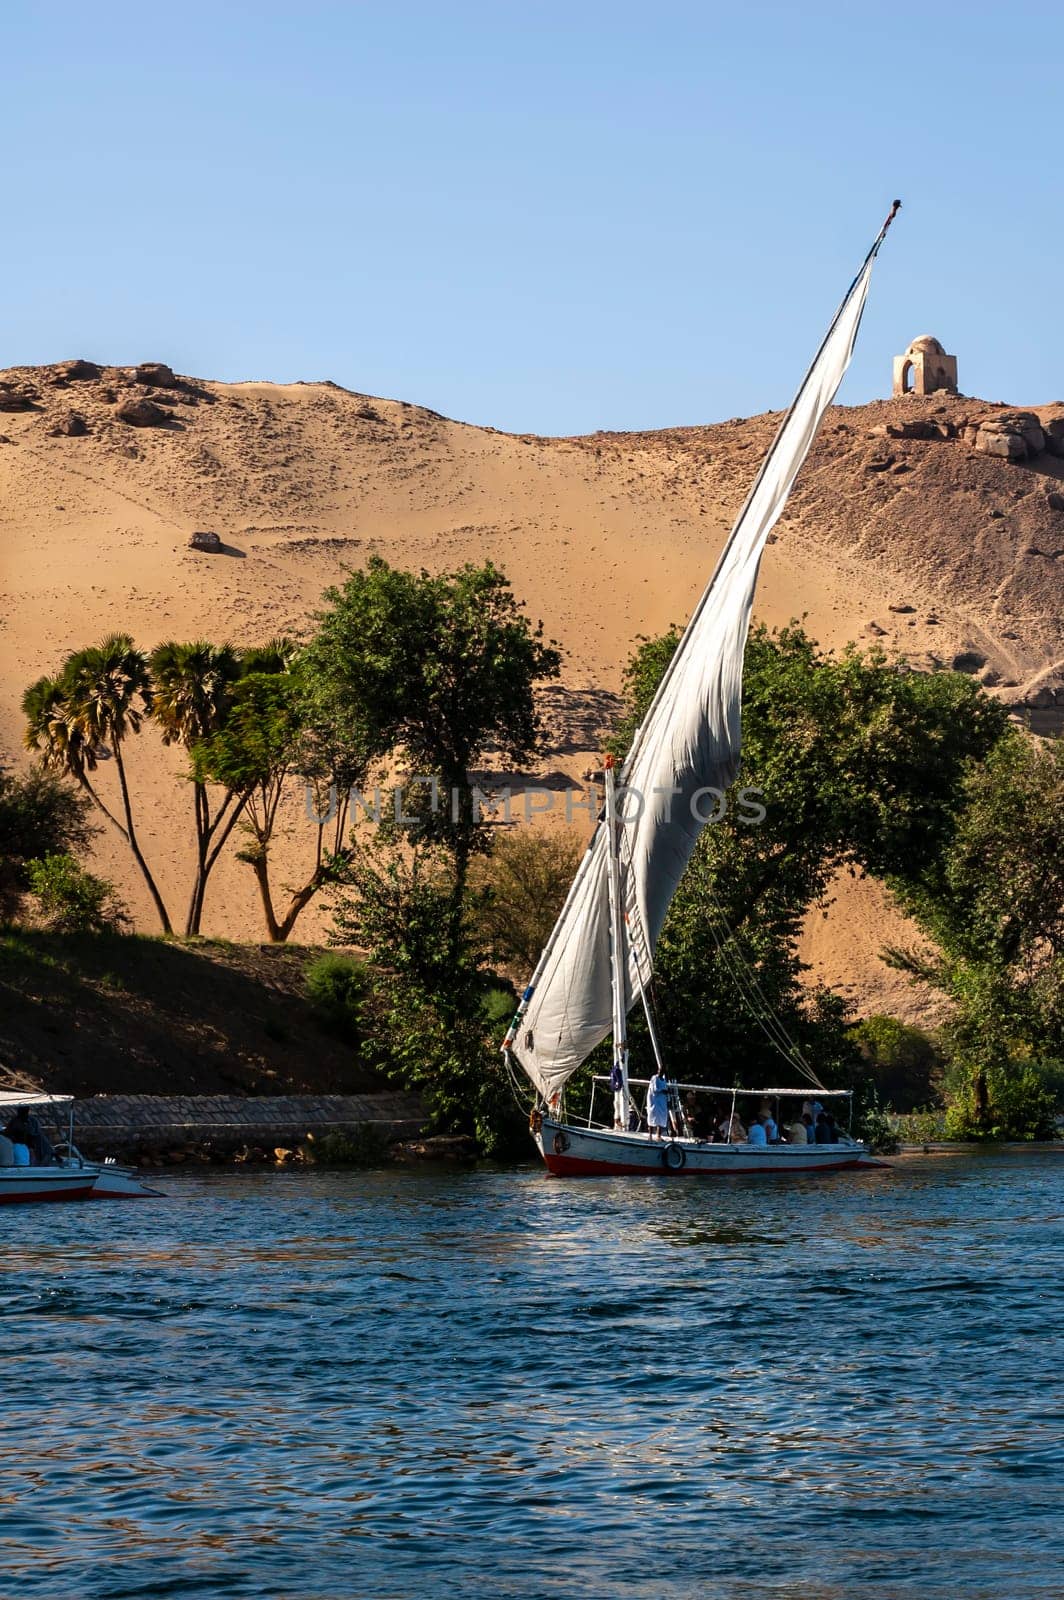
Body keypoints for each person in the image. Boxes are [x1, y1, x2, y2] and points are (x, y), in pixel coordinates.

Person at [646, 1070, 670, 1141]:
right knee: (652, 1115)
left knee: (661, 1117)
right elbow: (654, 1089)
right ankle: (650, 1135)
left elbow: (666, 1089)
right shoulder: (654, 1078)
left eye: (662, 1071)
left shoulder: (663, 1080)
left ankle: (658, 1135)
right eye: (660, 1071)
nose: (661, 1073)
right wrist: (663, 1090)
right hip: (654, 1101)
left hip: (662, 1101)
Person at [609, 1059, 626, 1131]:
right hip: (618, 1090)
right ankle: (618, 1123)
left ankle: (617, 1123)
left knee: (616, 1106)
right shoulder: (617, 1070)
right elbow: (619, 1080)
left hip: (614, 1089)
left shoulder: (612, 1070)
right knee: (618, 1106)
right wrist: (621, 1086)